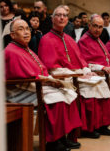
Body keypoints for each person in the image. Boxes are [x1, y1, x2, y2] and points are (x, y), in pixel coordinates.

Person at [38, 5, 110, 139]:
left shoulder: (69, 39)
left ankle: (102, 125)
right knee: (90, 87)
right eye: (58, 15)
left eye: (64, 15)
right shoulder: (46, 39)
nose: (62, 17)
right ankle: (87, 128)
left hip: (76, 73)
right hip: (62, 75)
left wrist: (87, 71)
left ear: (68, 19)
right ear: (53, 19)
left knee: (99, 83)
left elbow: (80, 61)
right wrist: (79, 74)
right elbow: (52, 67)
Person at [5, 19, 82, 151]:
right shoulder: (11, 51)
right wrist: (49, 81)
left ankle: (63, 137)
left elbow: (40, 71)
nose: (26, 32)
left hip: (33, 85)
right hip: (18, 91)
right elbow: (22, 76)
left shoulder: (25, 49)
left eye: (27, 29)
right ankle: (53, 142)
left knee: (69, 94)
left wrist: (52, 81)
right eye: (21, 29)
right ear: (12, 35)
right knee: (56, 98)